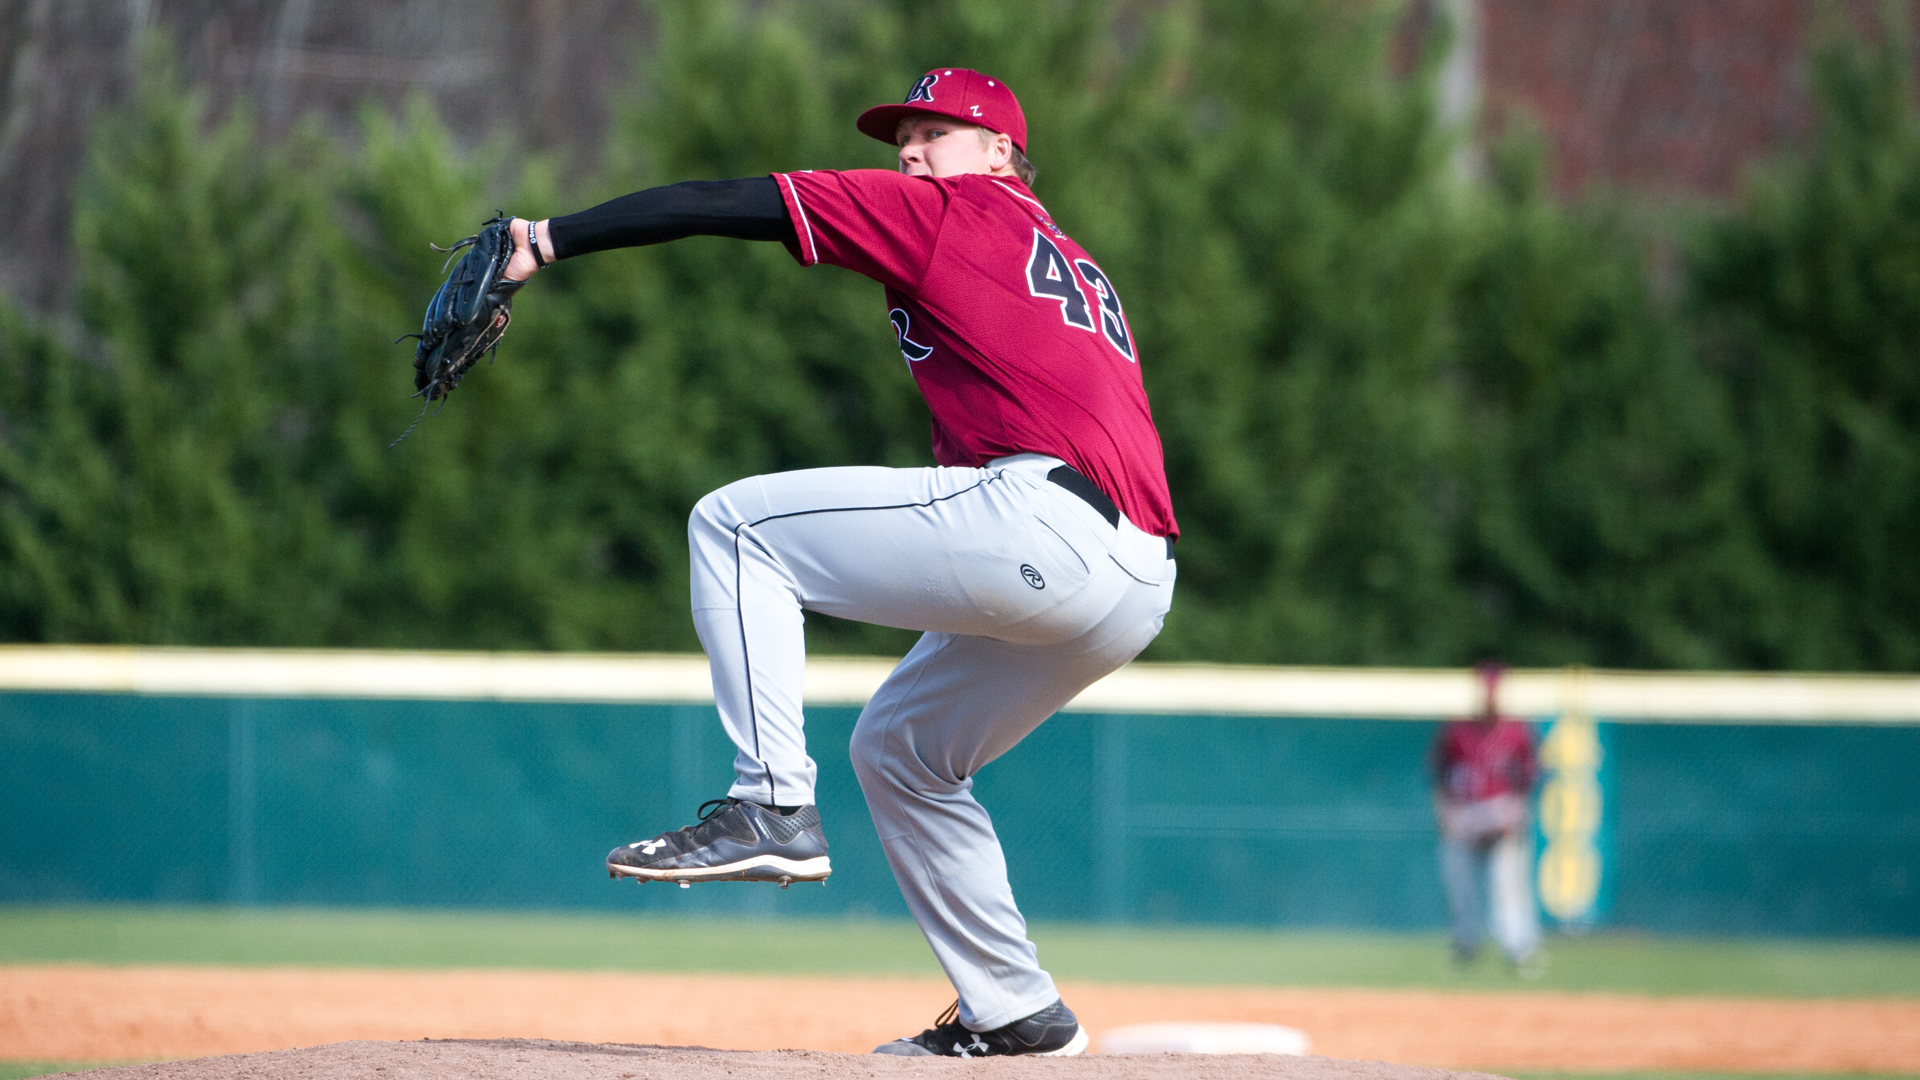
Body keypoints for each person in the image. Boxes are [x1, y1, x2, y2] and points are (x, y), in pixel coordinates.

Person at [495, 69, 1176, 1057]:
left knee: (736, 528)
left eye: (935, 132)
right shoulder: (1070, 257)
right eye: (903, 136)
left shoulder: (951, 211)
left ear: (999, 154)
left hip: (1046, 520)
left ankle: (769, 804)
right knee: (900, 748)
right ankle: (1015, 1011)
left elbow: (737, 202)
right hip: (1137, 577)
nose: (909, 151)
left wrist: (548, 239)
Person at [1430, 661, 1543, 974]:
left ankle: (1519, 949)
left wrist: (1518, 812)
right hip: (1465, 815)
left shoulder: (1517, 730)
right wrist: (1445, 814)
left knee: (1508, 886)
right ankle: (1465, 947)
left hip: (1501, 813)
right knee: (1458, 887)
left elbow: (1531, 778)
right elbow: (1438, 775)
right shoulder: (1457, 730)